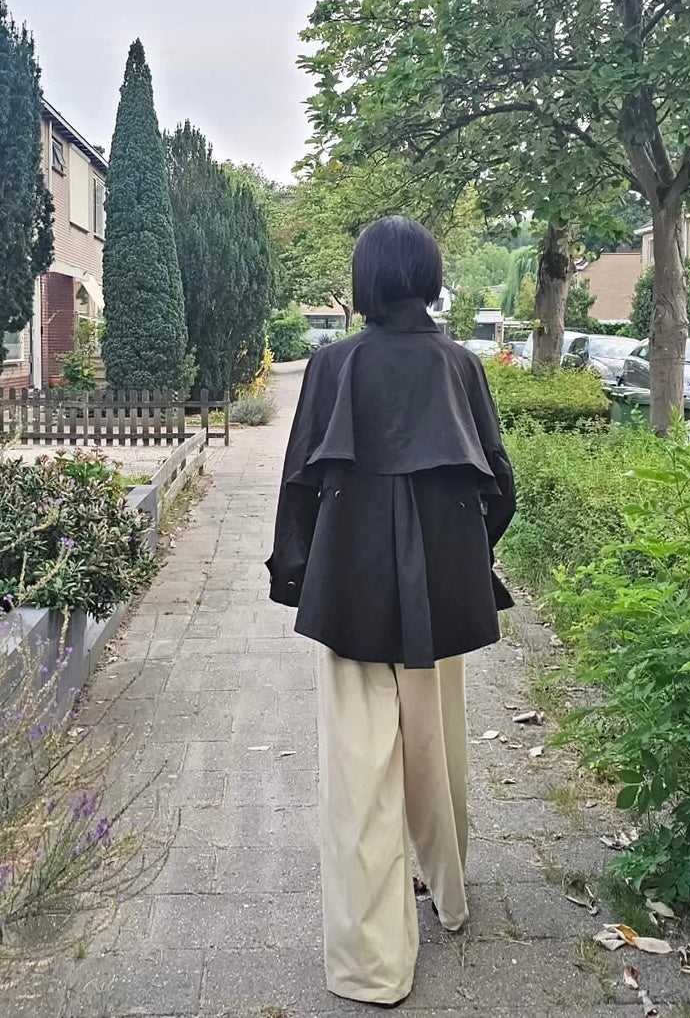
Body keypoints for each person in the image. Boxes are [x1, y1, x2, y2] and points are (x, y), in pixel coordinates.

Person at [267, 215, 516, 1007]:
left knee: (359, 771)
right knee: (436, 750)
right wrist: (463, 560)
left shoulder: (332, 365)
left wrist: (296, 576)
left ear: (365, 280)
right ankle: (449, 894)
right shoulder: (461, 366)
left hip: (350, 590)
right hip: (441, 592)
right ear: (431, 277)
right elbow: (499, 486)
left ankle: (373, 964)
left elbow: (300, 483)